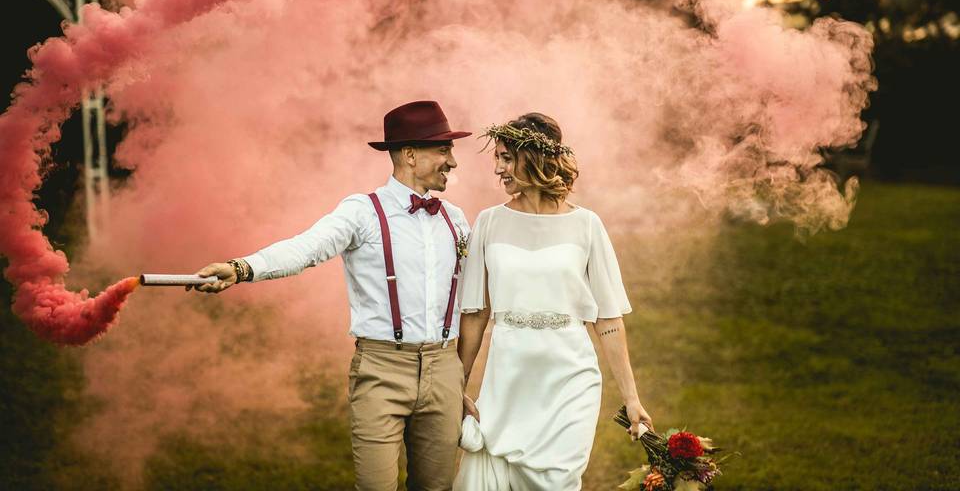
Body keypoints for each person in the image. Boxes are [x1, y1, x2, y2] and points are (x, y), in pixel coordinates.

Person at [191, 100, 472, 491]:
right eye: (443, 149)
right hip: (381, 369)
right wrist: (242, 268)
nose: (452, 161)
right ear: (410, 154)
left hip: (443, 370)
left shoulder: (454, 219)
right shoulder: (362, 212)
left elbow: (479, 294)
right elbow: (305, 248)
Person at [454, 113, 654, 490]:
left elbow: (608, 320)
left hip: (569, 378)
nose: (498, 169)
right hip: (507, 380)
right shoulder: (489, 222)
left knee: (559, 482)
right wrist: (455, 386)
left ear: (534, 157)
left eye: (506, 158)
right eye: (497, 158)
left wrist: (632, 399)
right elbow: (476, 314)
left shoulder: (587, 225)